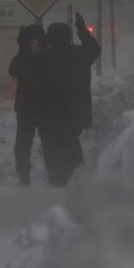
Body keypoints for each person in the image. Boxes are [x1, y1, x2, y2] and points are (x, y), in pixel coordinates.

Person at [38, 13, 100, 187]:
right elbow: (95, 49)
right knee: (71, 145)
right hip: (74, 112)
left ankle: (56, 178)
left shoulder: (43, 58)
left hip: (48, 114)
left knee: (51, 148)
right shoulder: (79, 54)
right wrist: (82, 30)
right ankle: (77, 178)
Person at [8, 24, 47, 186]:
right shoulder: (22, 58)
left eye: (36, 41)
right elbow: (13, 71)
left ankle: (56, 175)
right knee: (23, 146)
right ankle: (24, 176)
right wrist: (24, 52)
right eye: (31, 41)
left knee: (48, 143)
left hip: (42, 106)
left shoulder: (47, 57)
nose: (34, 44)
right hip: (31, 107)